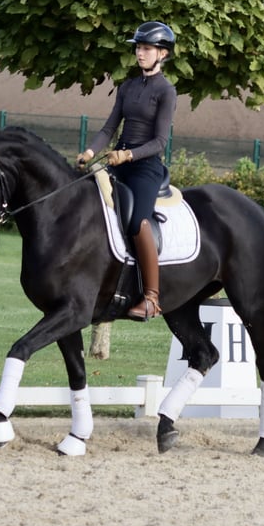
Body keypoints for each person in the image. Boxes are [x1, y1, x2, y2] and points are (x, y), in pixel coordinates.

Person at [77, 21, 178, 320]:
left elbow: (160, 142)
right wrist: (91, 151)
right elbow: (110, 126)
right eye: (138, 47)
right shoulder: (128, 86)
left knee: (137, 221)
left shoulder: (166, 91)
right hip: (116, 163)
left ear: (162, 53)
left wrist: (129, 154)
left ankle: (151, 298)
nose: (139, 53)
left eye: (146, 48)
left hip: (145, 168)